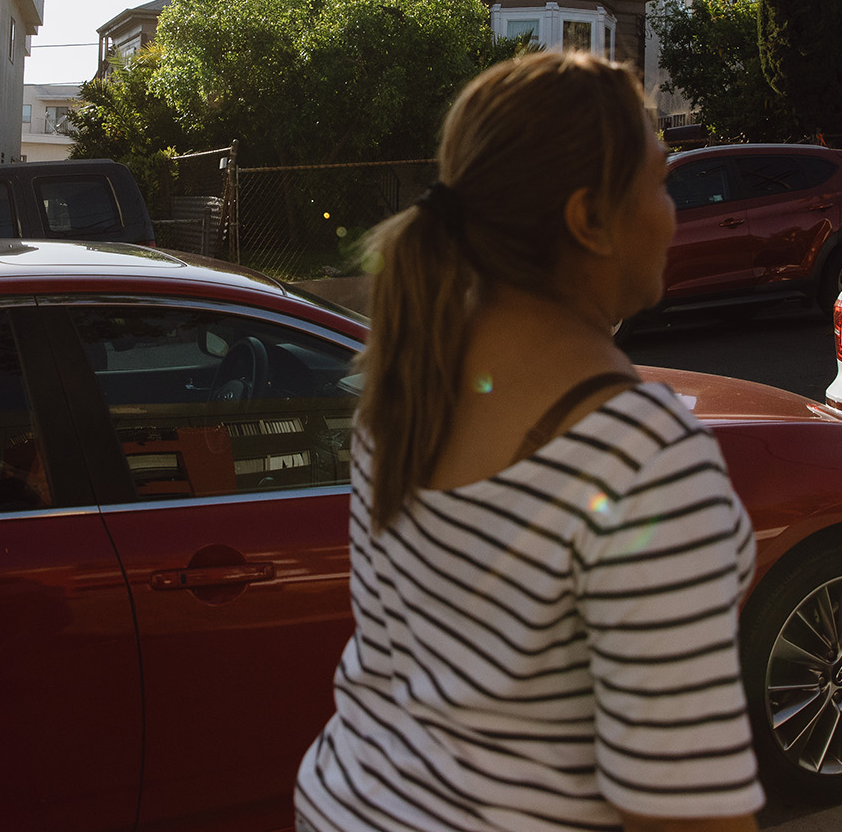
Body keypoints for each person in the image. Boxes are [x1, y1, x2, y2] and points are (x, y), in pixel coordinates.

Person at [295, 50, 763, 832]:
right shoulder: (642, 459)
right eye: (659, 181)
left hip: (346, 801)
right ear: (589, 219)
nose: (673, 210)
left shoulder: (404, 383)